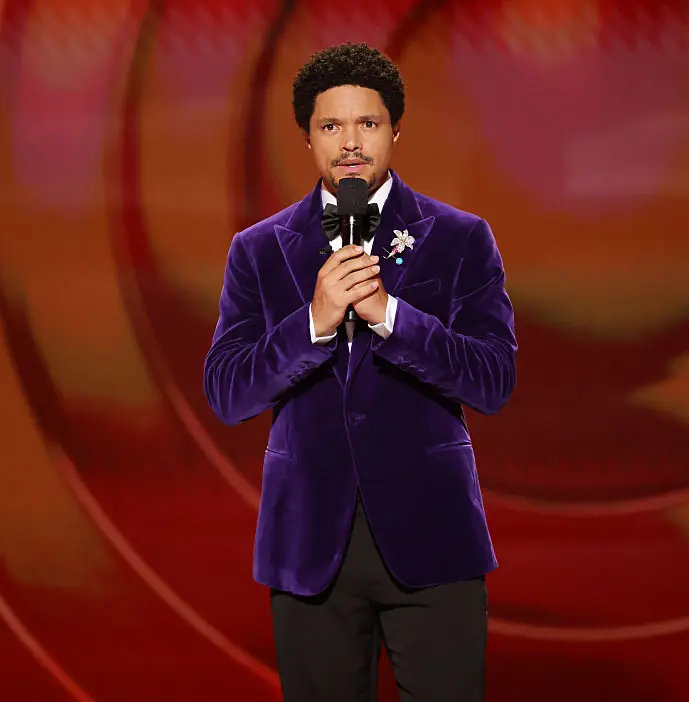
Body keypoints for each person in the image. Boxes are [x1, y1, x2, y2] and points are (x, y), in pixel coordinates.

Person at [203, 42, 517, 701]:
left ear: (396, 130)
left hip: (434, 542)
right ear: (307, 137)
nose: (350, 143)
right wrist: (313, 322)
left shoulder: (460, 238)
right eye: (331, 126)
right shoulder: (259, 251)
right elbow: (229, 392)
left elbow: (491, 379)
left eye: (367, 124)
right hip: (309, 545)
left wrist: (392, 316)